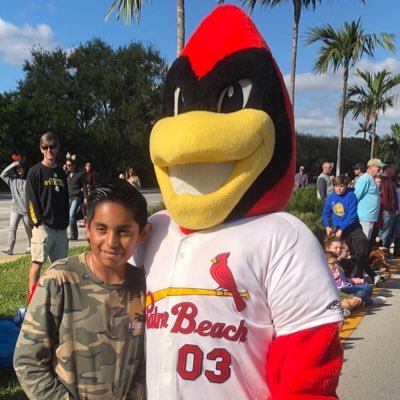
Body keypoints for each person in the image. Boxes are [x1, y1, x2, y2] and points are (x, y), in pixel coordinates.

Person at [14, 181, 151, 400]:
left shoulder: (145, 287)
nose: (111, 242)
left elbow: (148, 360)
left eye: (124, 231)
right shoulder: (59, 280)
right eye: (101, 229)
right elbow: (27, 360)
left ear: (143, 233)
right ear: (87, 227)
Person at [322, 175, 387, 286]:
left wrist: (341, 230)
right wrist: (327, 226)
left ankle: (360, 276)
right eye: (336, 186)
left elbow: (351, 216)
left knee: (361, 250)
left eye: (341, 186)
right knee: (343, 254)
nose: (339, 189)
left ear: (346, 186)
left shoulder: (351, 195)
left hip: (353, 227)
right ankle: (364, 276)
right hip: (339, 229)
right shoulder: (331, 198)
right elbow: (326, 213)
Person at [26, 132, 69, 293]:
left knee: (60, 268)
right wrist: (37, 222)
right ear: (41, 149)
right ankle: (32, 302)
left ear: (57, 149)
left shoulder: (61, 172)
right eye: (45, 147)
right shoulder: (35, 171)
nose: (49, 150)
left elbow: (65, 199)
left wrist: (66, 221)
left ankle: (56, 300)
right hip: (43, 227)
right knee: (37, 264)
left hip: (60, 228)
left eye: (52, 147)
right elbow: (31, 200)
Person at [1, 155, 32, 255]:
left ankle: (31, 246)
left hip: (26, 210)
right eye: (17, 168)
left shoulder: (29, 180)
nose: (19, 170)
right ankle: (10, 248)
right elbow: (2, 174)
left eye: (20, 168)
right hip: (15, 209)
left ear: (24, 168)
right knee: (12, 228)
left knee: (29, 230)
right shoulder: (12, 179)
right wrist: (15, 163)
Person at [354, 158, 383, 241]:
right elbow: (356, 196)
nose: (380, 170)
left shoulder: (371, 178)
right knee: (363, 241)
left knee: (367, 241)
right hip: (364, 217)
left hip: (370, 217)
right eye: (379, 168)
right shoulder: (365, 179)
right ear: (371, 167)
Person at [379, 161, 398, 248]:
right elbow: (384, 198)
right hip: (387, 211)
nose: (395, 170)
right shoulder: (383, 181)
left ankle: (385, 251)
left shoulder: (389, 181)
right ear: (387, 168)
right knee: (384, 233)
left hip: (391, 211)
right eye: (393, 168)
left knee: (388, 233)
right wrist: (389, 208)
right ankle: (381, 253)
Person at [65, 158, 85, 241]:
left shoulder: (80, 174)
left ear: (74, 165)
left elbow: (84, 186)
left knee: (71, 214)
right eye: (67, 165)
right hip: (69, 197)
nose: (69, 167)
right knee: (68, 216)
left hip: (76, 197)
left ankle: (74, 235)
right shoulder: (67, 175)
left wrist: (85, 197)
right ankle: (72, 234)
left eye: (70, 165)